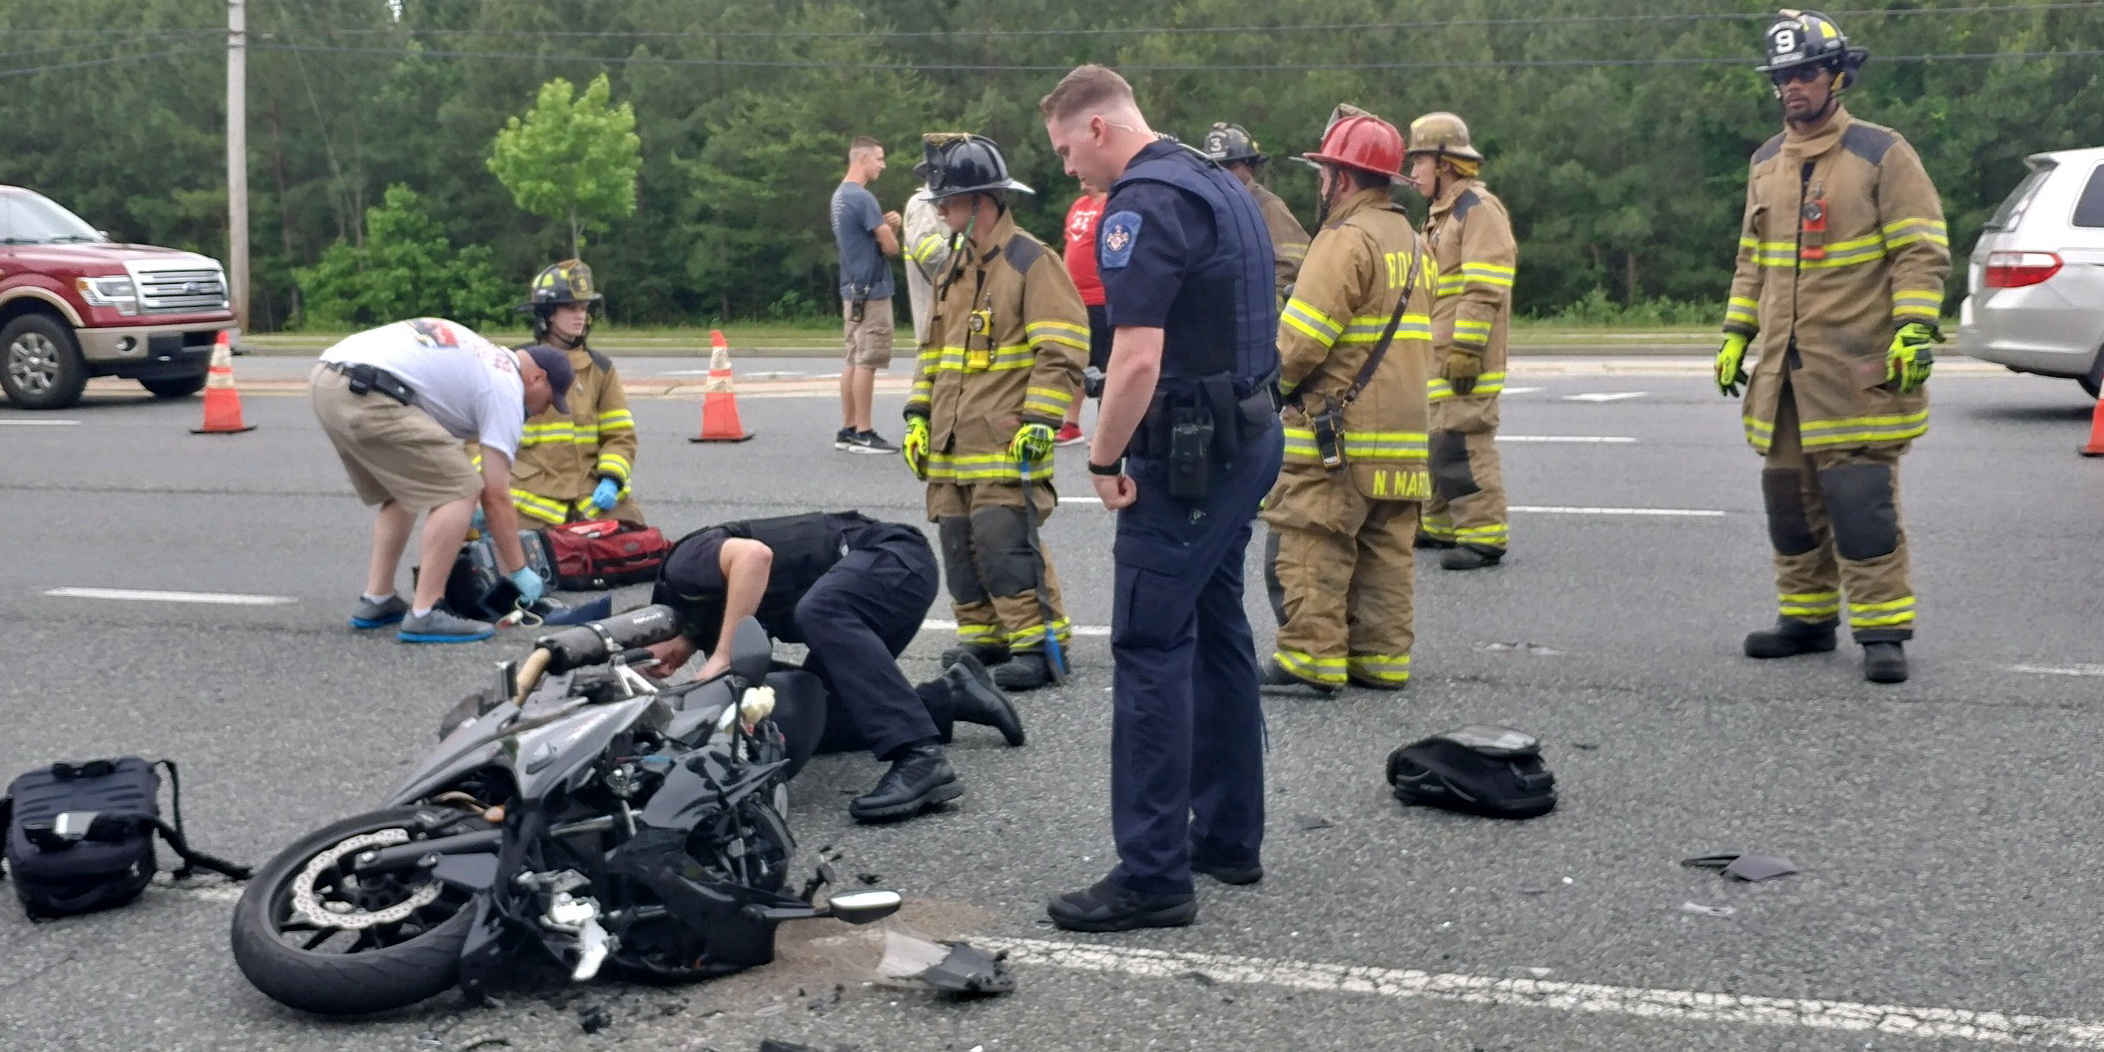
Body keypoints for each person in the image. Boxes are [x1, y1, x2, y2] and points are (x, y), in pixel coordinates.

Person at [1038, 65, 1284, 931]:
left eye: (1068, 150)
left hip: (1187, 458)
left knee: (1148, 646)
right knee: (1218, 629)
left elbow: (1136, 359)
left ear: (1099, 129)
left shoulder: (1140, 204)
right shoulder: (1213, 178)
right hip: (1247, 434)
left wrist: (1103, 461)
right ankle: (1227, 838)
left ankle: (1152, 874)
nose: (1070, 170)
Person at [1714, 9, 1948, 684]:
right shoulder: (1765, 162)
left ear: (1838, 76)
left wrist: (1913, 326)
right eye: (1783, 76)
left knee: (1860, 501)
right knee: (1790, 502)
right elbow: (1751, 261)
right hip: (1783, 376)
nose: (1794, 87)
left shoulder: (1882, 152)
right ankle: (1808, 619)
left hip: (1855, 368)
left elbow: (1920, 250)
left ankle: (1882, 633)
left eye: (1807, 73)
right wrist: (1736, 334)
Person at [643, 511, 1025, 823]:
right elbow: (773, 686)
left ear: (650, 622)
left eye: (647, 656)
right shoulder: (705, 625)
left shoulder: (682, 569)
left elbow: (754, 557)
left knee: (819, 610)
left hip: (894, 558)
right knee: (813, 716)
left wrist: (724, 655)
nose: (660, 667)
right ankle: (949, 697)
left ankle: (920, 759)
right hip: (871, 596)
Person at [900, 133, 1089, 692]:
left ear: (982, 200)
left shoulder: (1032, 263)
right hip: (951, 441)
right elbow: (930, 353)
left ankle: (1036, 645)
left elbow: (1063, 349)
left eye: (947, 199)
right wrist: (916, 415)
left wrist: (1041, 421)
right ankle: (982, 637)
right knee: (958, 541)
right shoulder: (952, 267)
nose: (937, 208)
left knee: (1005, 539)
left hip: (1005, 437)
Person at [1262, 109, 1433, 695]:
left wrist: (1264, 387)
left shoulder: (1343, 239)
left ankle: (1310, 658)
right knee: (1386, 546)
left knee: (1313, 536)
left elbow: (1301, 341)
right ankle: (1380, 661)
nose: (1321, 184)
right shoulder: (1412, 239)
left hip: (1342, 427)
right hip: (1406, 435)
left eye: (1326, 173)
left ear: (1342, 177)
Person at [312, 318, 563, 643]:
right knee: (463, 489)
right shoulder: (507, 385)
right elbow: (495, 493)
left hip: (329, 379)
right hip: (370, 390)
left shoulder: (483, 359)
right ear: (537, 377)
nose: (544, 410)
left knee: (403, 488)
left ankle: (377, 600)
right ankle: (425, 612)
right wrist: (517, 570)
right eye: (550, 399)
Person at [1405, 112, 1517, 571]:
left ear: (1444, 164)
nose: (1411, 173)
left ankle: (1483, 534)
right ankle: (1440, 525)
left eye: (1418, 163)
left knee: (1464, 441)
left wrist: (1467, 349)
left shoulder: (1478, 209)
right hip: (1442, 353)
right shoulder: (1443, 214)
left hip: (1465, 356)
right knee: (1439, 439)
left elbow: (1485, 285)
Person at [507, 259, 644, 527]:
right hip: (530, 503)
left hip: (591, 498)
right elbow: (477, 439)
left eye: (583, 307)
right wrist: (487, 489)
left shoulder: (601, 370)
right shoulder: (514, 364)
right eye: (570, 308)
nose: (580, 315)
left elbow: (620, 436)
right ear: (547, 314)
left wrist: (611, 479)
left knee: (640, 543)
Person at [831, 135, 903, 454]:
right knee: (867, 361)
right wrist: (894, 227)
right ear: (861, 159)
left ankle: (847, 428)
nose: (882, 165)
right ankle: (864, 431)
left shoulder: (840, 197)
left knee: (852, 357)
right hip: (872, 290)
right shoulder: (862, 198)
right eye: (879, 159)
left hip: (851, 288)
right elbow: (890, 247)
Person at [1200, 121, 1310, 300]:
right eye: (1214, 167)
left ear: (1249, 168)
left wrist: (1266, 310)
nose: (1221, 174)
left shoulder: (1267, 205)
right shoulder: (1210, 207)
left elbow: (1293, 263)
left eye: (1230, 167)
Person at [1057, 178, 1109, 447]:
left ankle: (1106, 428)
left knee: (1105, 365)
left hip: (1102, 298)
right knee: (1077, 361)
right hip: (1076, 298)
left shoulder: (1113, 204)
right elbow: (1070, 247)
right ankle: (1071, 424)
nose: (1080, 177)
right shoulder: (1079, 206)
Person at [900, 179, 955, 348]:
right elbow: (926, 250)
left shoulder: (942, 201)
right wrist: (967, 247)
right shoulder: (925, 204)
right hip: (932, 311)